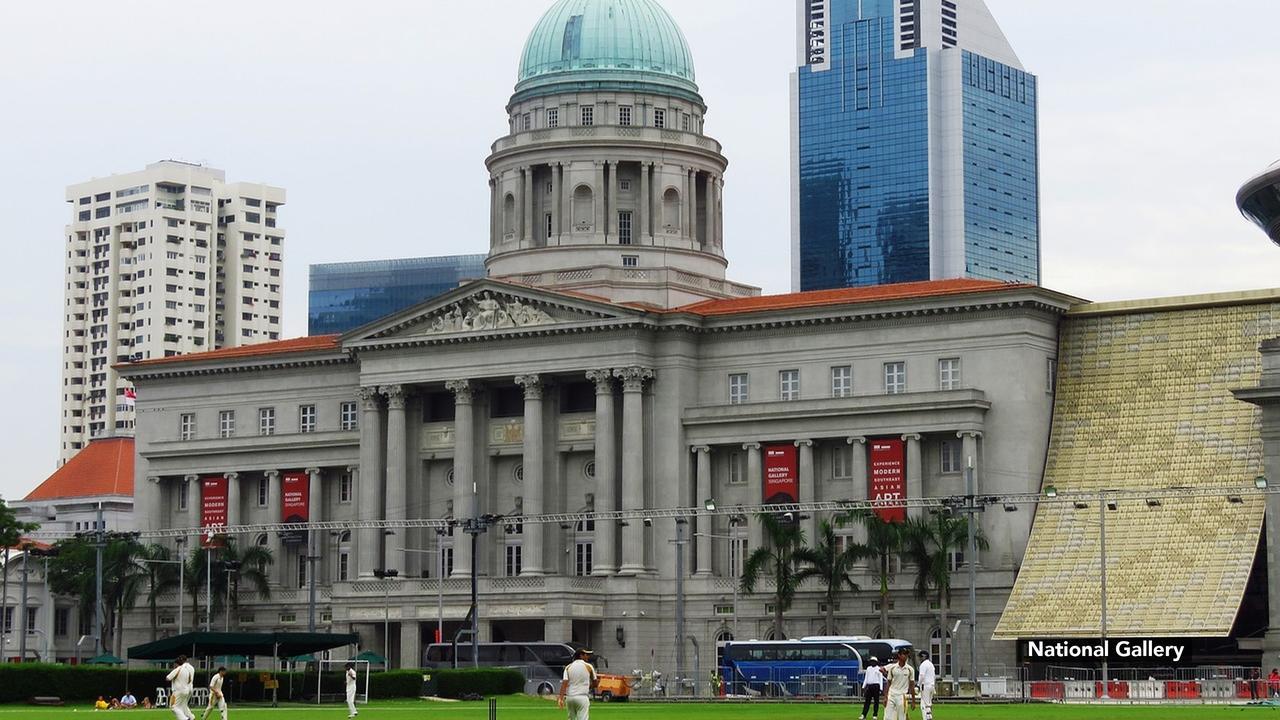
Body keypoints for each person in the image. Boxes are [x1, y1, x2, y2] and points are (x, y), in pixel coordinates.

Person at [557, 647, 599, 720]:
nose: (588, 657)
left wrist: (560, 698)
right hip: (582, 697)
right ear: (581, 656)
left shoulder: (568, 667)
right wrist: (587, 687)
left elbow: (564, 683)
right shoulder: (589, 666)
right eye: (586, 654)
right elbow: (595, 683)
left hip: (570, 698)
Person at [883, 648, 916, 720]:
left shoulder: (910, 669)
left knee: (902, 717)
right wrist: (885, 697)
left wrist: (913, 701)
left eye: (907, 654)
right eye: (904, 654)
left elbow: (912, 685)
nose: (905, 656)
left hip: (902, 696)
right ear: (899, 655)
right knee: (888, 717)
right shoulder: (892, 668)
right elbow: (888, 682)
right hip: (891, 695)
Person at [166, 654, 196, 720]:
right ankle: (191, 717)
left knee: (174, 707)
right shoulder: (190, 668)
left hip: (178, 690)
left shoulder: (179, 668)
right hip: (188, 689)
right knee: (183, 705)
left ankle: (185, 718)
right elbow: (190, 680)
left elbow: (168, 678)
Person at [917, 651, 936, 720]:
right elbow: (934, 676)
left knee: (923, 704)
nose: (919, 659)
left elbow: (922, 676)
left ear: (923, 656)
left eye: (920, 657)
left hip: (925, 686)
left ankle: (926, 718)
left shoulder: (923, 665)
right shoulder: (931, 664)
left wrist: (918, 685)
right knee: (928, 704)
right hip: (931, 685)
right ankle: (929, 717)